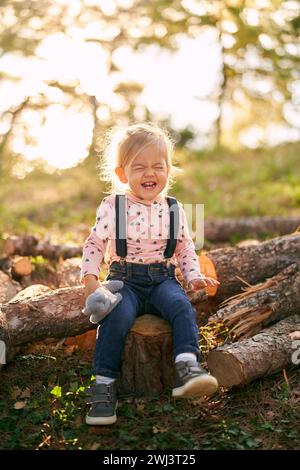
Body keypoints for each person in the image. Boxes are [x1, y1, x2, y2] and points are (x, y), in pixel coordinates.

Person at [81, 122, 220, 425]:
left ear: (168, 170)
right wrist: (91, 281)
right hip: (124, 280)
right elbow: (94, 243)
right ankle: (104, 387)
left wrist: (193, 275)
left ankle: (187, 366)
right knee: (115, 318)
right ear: (122, 174)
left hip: (162, 279)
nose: (150, 174)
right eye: (139, 167)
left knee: (182, 307)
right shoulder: (113, 206)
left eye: (158, 166)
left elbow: (184, 248)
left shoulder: (174, 209)